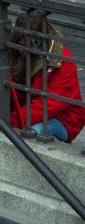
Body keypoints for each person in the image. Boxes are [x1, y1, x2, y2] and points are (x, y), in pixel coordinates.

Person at [8, 12, 85, 143]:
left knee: (34, 133)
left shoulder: (63, 59)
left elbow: (49, 104)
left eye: (26, 45)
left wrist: (12, 120)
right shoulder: (15, 51)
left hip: (63, 117)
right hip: (26, 109)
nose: (23, 50)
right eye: (21, 44)